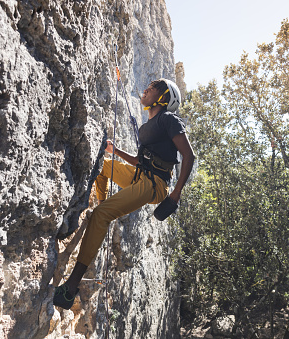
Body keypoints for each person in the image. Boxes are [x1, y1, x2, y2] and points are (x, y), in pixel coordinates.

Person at [53, 78, 195, 310]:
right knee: (103, 166)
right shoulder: (146, 126)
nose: (147, 87)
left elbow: (188, 156)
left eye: (154, 87)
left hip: (155, 184)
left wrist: (175, 195)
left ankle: (70, 289)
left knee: (100, 215)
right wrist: (115, 150)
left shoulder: (169, 120)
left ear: (164, 97)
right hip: (140, 174)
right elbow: (140, 160)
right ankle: (105, 209)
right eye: (148, 85)